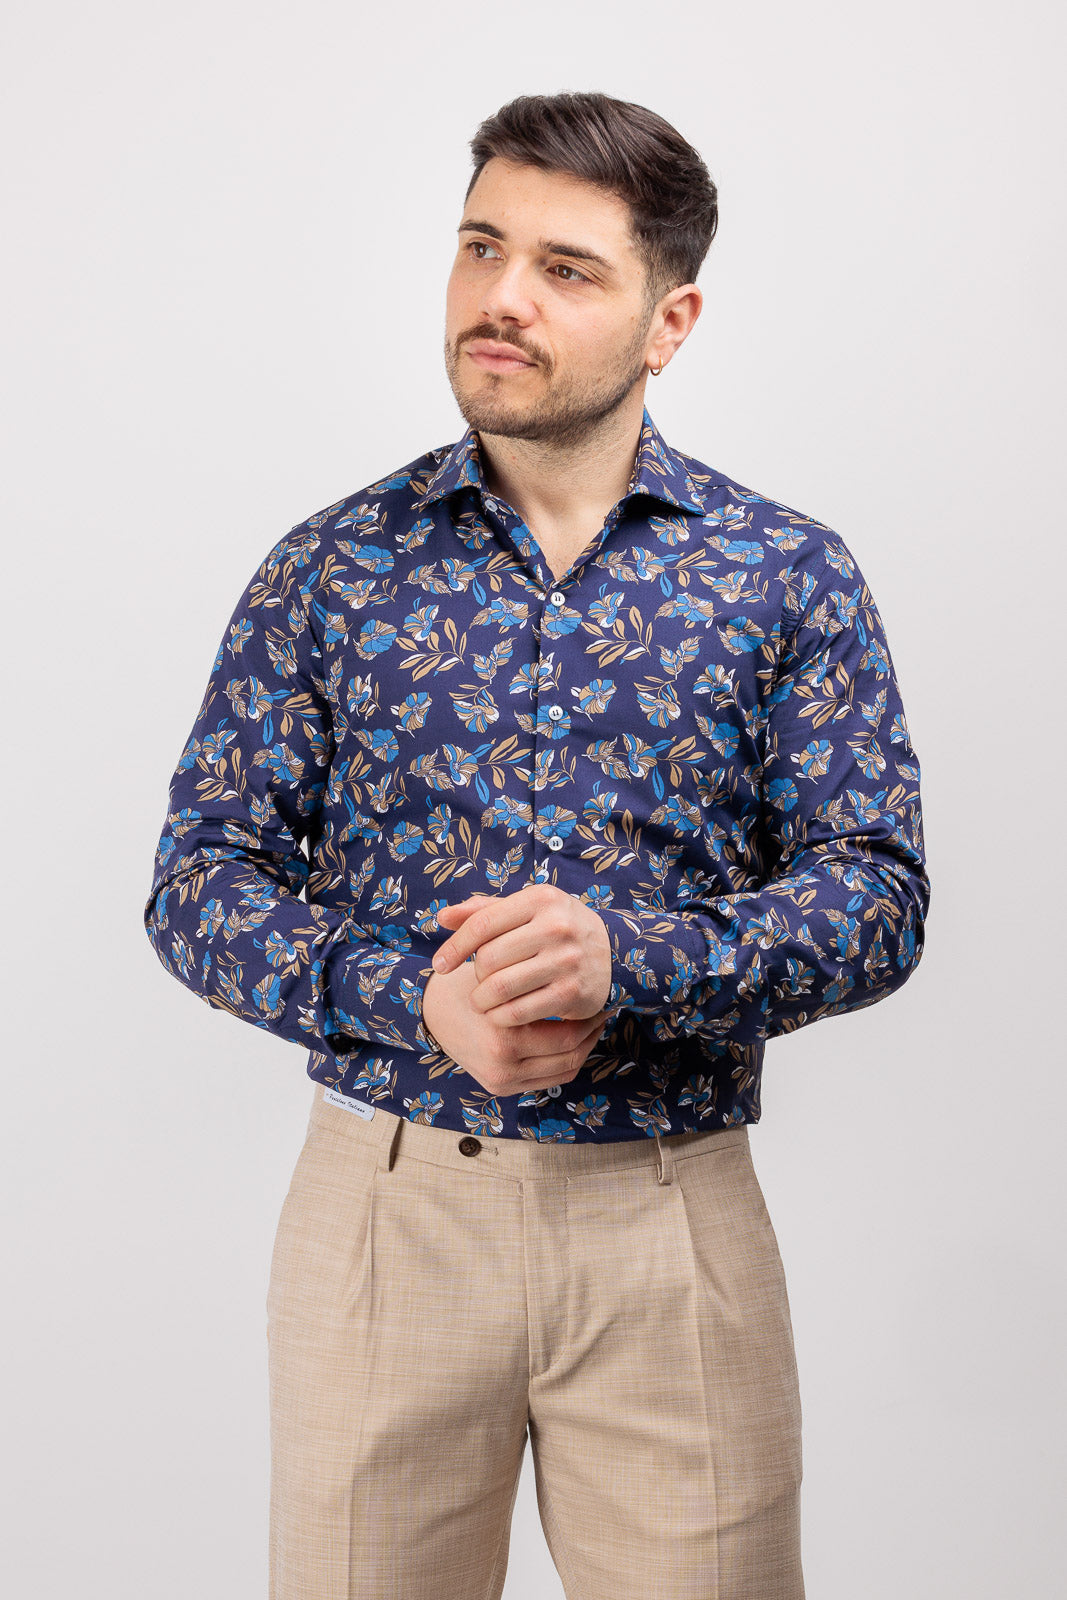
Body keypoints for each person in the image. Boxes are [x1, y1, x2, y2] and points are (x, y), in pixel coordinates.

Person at [144, 90, 929, 1600]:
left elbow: (877, 895)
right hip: (385, 1219)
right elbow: (200, 881)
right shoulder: (330, 567)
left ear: (668, 320)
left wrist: (631, 959)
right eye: (481, 247)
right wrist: (412, 997)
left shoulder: (785, 575)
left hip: (671, 1219)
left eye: (566, 269)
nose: (501, 296)